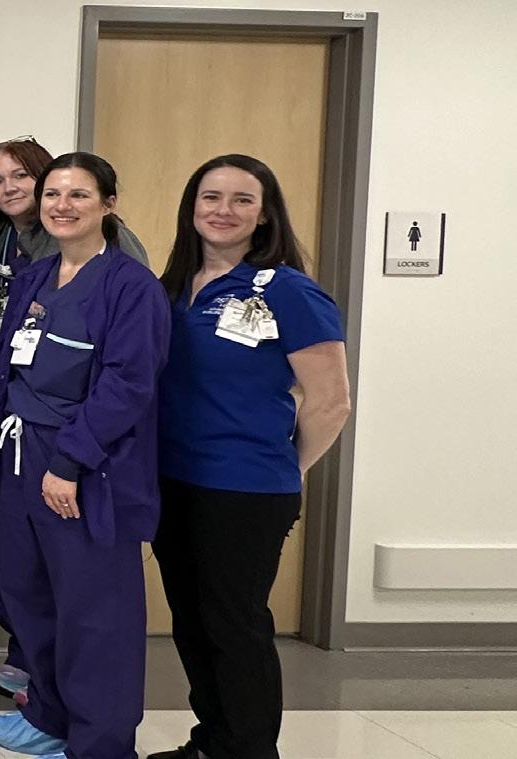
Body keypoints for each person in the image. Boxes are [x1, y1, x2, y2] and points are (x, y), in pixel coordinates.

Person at [146, 155, 350, 759]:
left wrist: (288, 468)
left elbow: (332, 402)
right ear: (192, 207)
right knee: (191, 620)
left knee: (234, 626)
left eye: (242, 200)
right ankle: (213, 741)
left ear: (264, 215)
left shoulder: (288, 291)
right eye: (211, 197)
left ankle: (250, 751)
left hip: (245, 489)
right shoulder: (172, 288)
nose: (224, 211)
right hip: (173, 479)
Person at [0, 153, 168, 759]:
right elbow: (5, 371)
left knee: (94, 611)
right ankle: (49, 716)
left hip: (85, 467)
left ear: (108, 204)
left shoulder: (131, 287)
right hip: (19, 454)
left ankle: (101, 742)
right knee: (30, 597)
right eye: (53, 194)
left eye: (79, 194)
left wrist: (69, 463)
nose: (62, 206)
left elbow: (127, 385)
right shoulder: (35, 277)